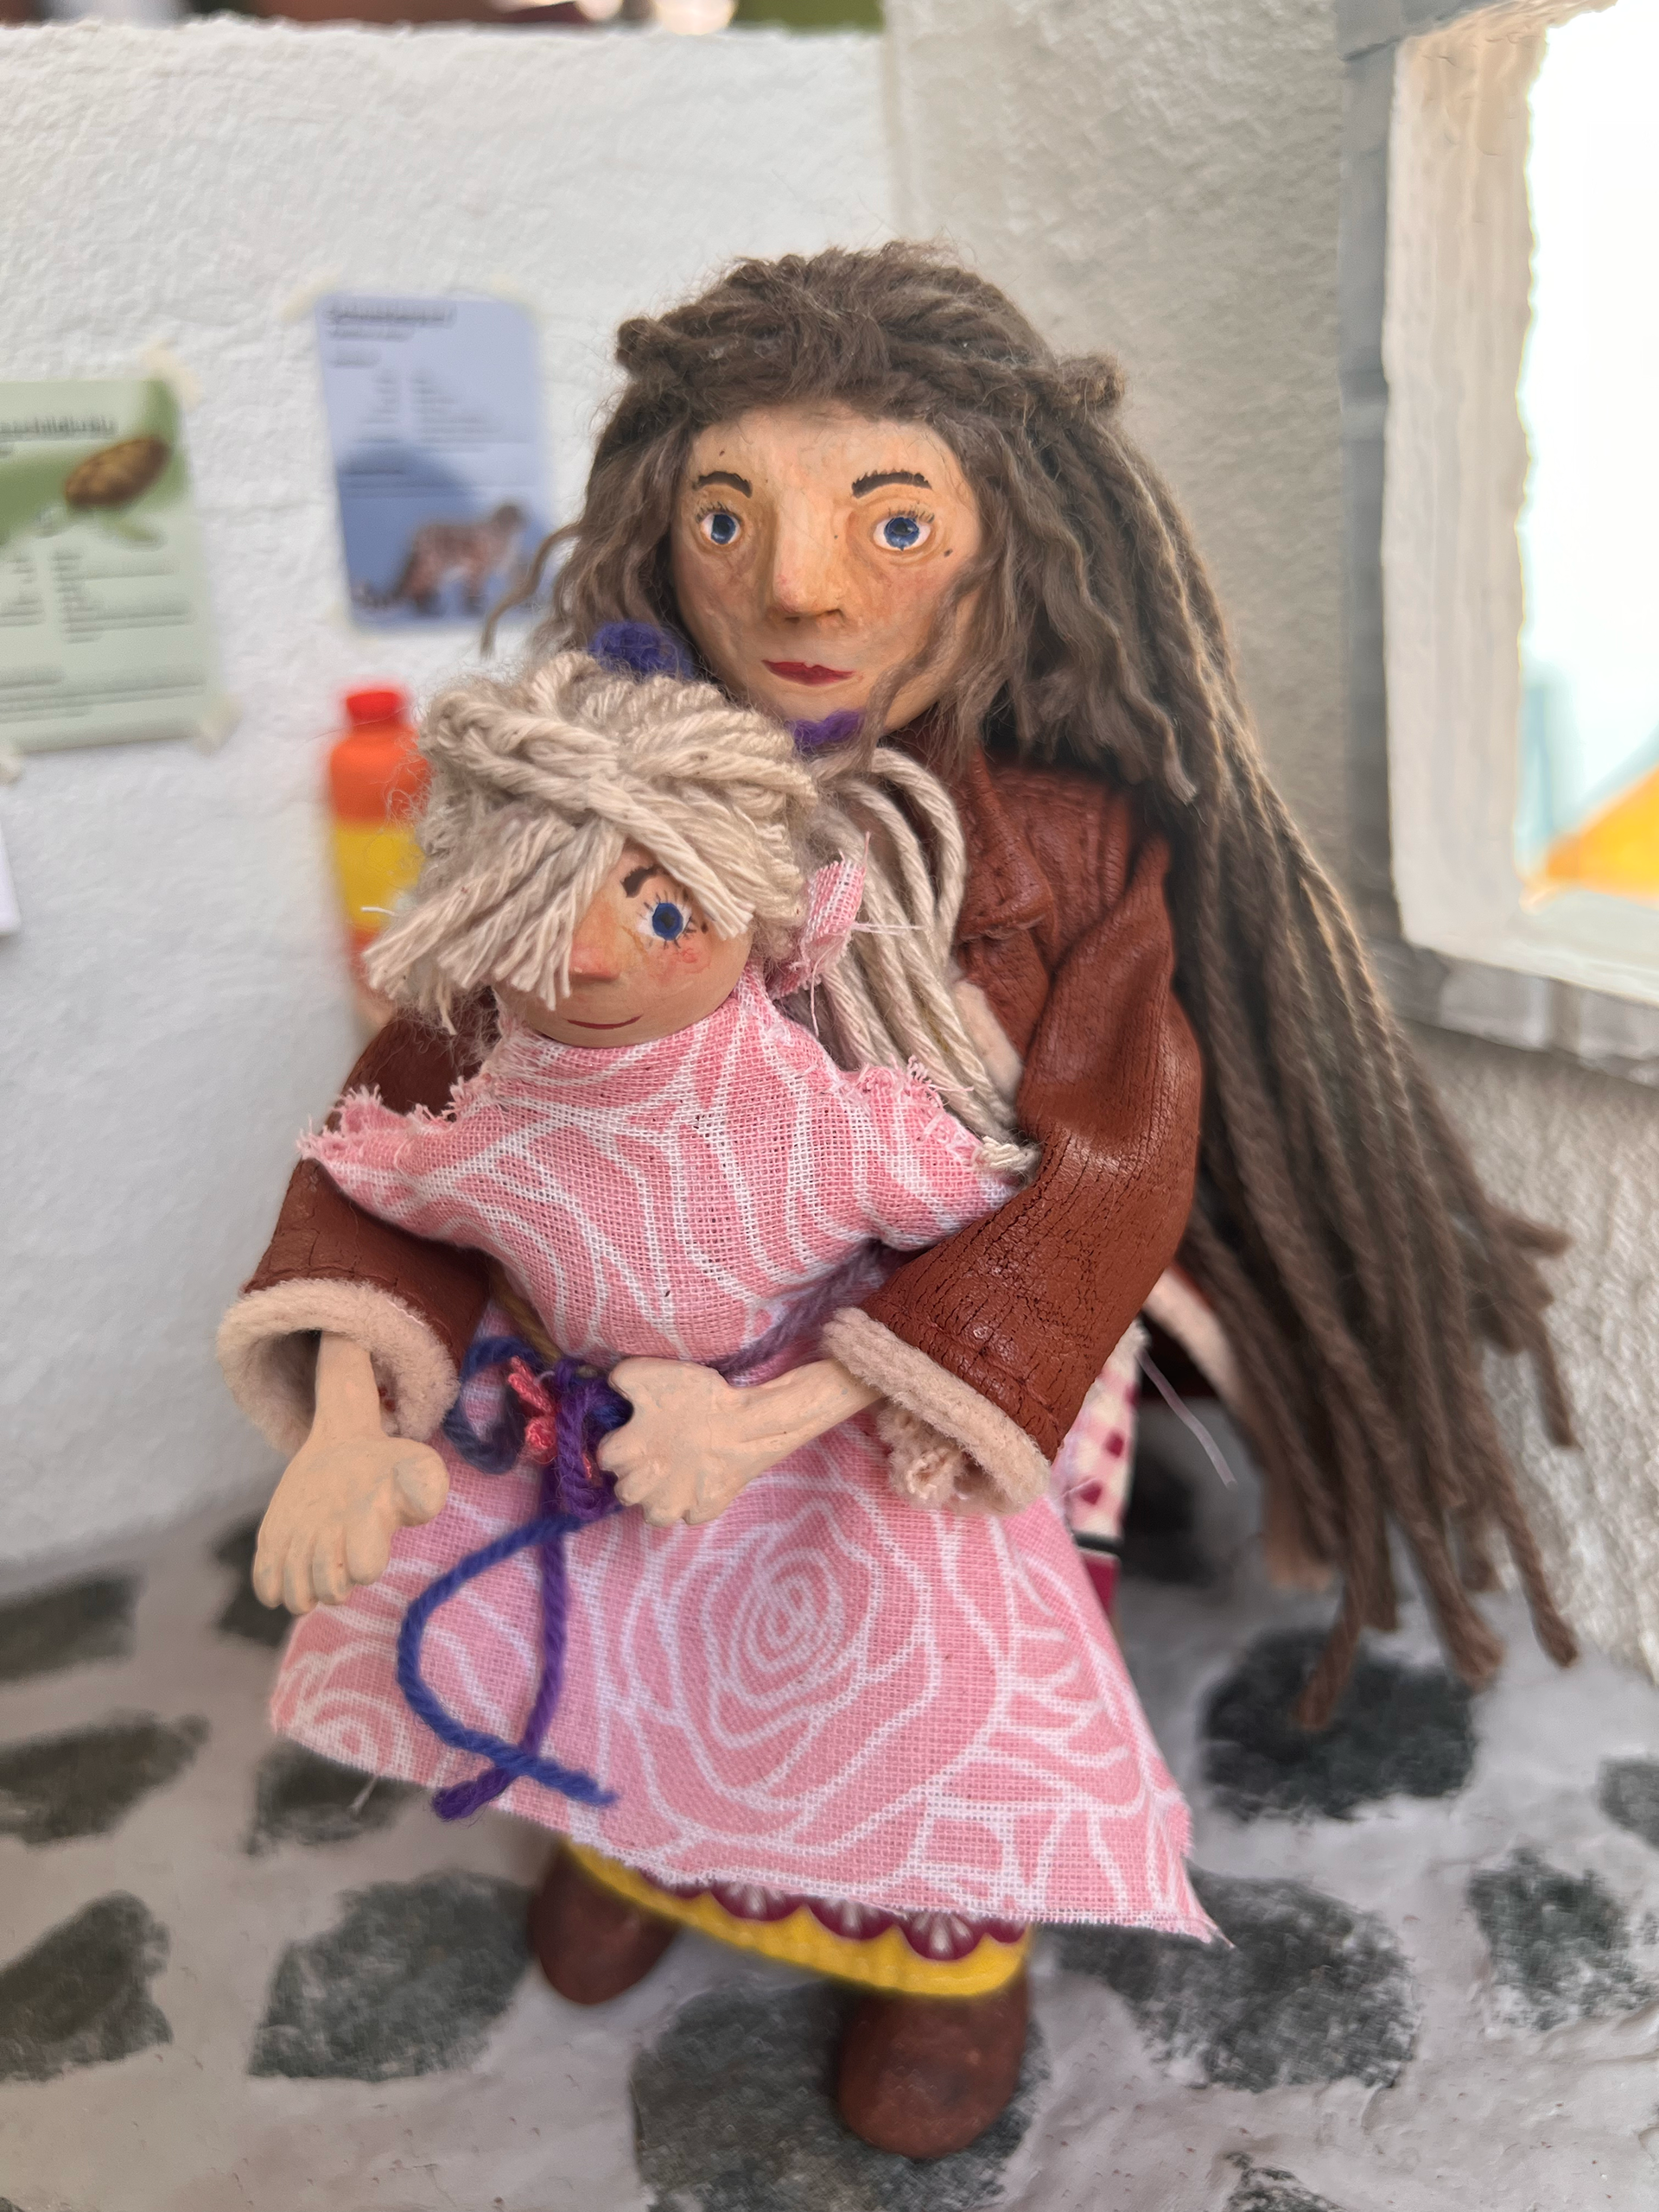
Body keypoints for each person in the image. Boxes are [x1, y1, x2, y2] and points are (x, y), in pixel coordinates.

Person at [219, 242, 1575, 2156]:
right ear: (656, 531)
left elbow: (1118, 1146)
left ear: (1009, 537)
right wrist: (357, 1402)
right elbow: (428, 1095)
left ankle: (944, 1957)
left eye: (894, 520)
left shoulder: (1062, 841)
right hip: (621, 1328)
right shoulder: (584, 794)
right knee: (616, 1599)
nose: (799, 586)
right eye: (729, 516)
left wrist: (851, 1379)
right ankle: (637, 1835)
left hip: (933, 1346)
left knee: (927, 1660)